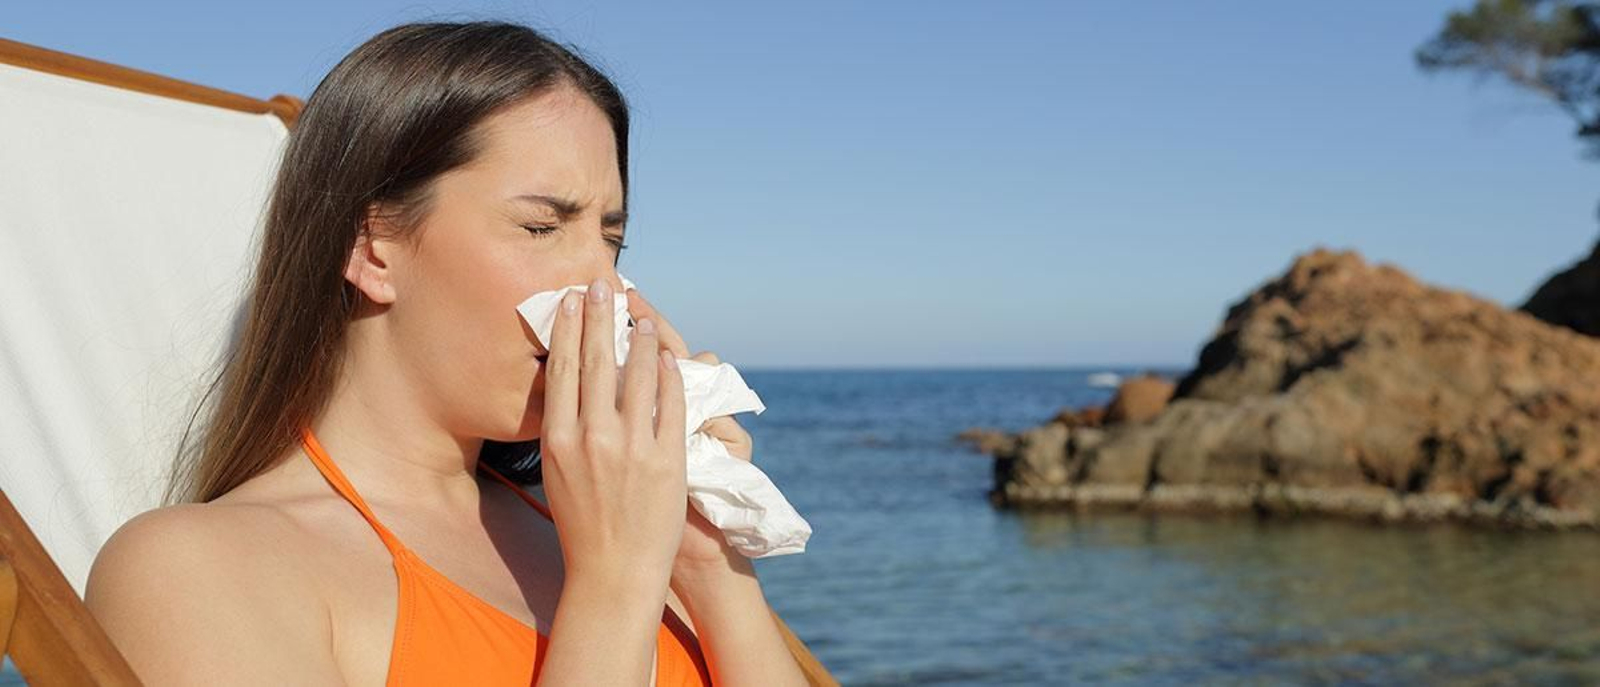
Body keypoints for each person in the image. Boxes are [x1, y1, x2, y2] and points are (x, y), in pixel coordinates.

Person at [82, 20, 809, 686]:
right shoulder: (194, 569)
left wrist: (707, 561)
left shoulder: (613, 530)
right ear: (371, 249)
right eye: (540, 228)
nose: (608, 289)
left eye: (611, 238)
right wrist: (613, 585)